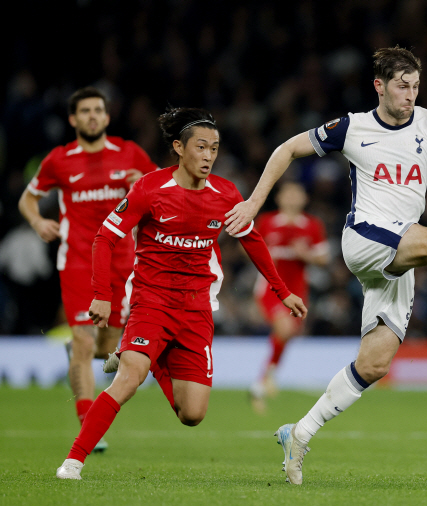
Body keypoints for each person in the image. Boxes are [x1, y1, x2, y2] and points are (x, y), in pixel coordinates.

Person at [224, 47, 427, 485]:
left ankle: (299, 433)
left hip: (398, 257)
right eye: (401, 86)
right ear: (380, 85)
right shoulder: (352, 127)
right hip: (365, 239)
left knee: (374, 364)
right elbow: (286, 149)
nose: (410, 95)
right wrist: (255, 203)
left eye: (415, 86)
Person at [55, 107, 307, 480]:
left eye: (215, 149)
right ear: (179, 147)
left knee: (192, 414)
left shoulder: (225, 194)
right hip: (150, 300)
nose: (208, 156)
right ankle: (73, 462)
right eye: (201, 147)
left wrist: (282, 291)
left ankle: (153, 359)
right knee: (127, 380)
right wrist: (101, 294)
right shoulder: (150, 188)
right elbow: (105, 237)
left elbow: (252, 241)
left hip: (196, 308)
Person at [18, 87, 157, 452]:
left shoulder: (129, 153)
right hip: (78, 260)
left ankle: (80, 357)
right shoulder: (59, 160)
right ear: (73, 119)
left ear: (107, 118)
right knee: (83, 339)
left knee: (108, 347)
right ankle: (88, 426)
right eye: (85, 111)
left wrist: (140, 185)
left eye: (98, 110)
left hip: (124, 263)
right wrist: (37, 222)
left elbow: (165, 191)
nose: (93, 116)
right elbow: (27, 199)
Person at [249, 181, 329, 413]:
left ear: (304, 198)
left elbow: (324, 259)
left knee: (288, 332)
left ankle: (259, 385)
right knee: (285, 329)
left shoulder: (312, 225)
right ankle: (269, 376)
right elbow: (251, 249)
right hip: (270, 289)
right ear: (279, 198)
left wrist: (306, 255)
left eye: (297, 193)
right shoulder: (267, 222)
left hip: (297, 291)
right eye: (289, 193)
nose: (293, 198)